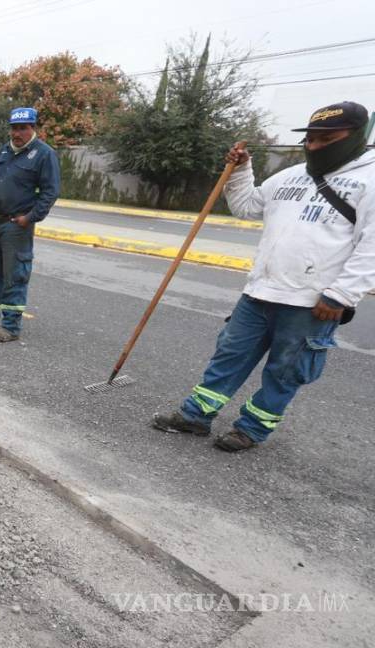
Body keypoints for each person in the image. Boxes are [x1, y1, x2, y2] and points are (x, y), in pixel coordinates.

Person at [153, 101, 375, 452]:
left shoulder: (369, 180)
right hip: (259, 292)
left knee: (285, 371)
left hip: (312, 303)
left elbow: (371, 246)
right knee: (229, 355)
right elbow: (247, 206)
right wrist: (241, 170)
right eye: (311, 139)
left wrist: (342, 295)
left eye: (326, 138)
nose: (314, 146)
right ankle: (196, 415)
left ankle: (252, 429)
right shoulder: (291, 175)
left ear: (355, 136)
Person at [0, 107, 61, 343]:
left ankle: (10, 326)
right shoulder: (4, 150)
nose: (17, 133)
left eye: (22, 128)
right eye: (14, 128)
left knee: (14, 275)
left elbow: (50, 192)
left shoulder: (44, 155)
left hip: (17, 225)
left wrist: (29, 218)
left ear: (32, 128)